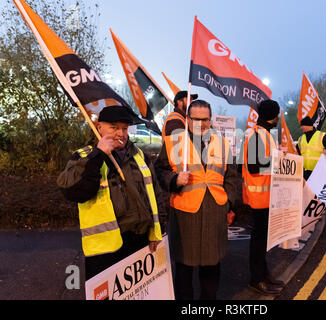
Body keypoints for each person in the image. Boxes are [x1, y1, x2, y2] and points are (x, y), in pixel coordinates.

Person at [57, 106, 167, 280]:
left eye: (124, 128)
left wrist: (158, 231)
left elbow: (155, 194)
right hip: (105, 249)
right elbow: (74, 193)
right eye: (114, 127)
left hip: (140, 240)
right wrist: (98, 155)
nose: (120, 133)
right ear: (99, 127)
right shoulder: (84, 156)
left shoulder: (140, 156)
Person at [155, 99, 238, 300]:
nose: (201, 124)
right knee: (184, 269)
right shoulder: (175, 141)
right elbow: (160, 169)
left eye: (206, 119)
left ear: (211, 119)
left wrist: (229, 203)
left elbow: (233, 176)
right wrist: (174, 179)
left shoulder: (223, 143)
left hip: (215, 212)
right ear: (188, 119)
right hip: (185, 213)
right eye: (196, 119)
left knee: (211, 269)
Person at [242, 99, 284, 296]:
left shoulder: (265, 134)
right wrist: (277, 161)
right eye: (277, 115)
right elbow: (254, 166)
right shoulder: (256, 134)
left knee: (263, 240)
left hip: (266, 197)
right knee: (258, 241)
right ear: (272, 116)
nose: (278, 119)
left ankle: (264, 273)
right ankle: (256, 279)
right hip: (258, 197)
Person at [296, 116, 326, 180]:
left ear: (308, 125)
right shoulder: (300, 139)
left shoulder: (321, 136)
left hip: (318, 172)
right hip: (305, 173)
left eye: (302, 125)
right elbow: (296, 151)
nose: (301, 128)